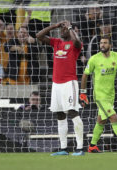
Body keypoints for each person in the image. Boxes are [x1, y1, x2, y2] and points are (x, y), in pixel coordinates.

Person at [36, 20, 84, 156]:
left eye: (64, 29)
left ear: (71, 31)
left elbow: (77, 42)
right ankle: (64, 148)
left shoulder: (75, 45)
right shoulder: (57, 42)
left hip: (69, 83)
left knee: (72, 112)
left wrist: (69, 26)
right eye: (61, 29)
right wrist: (54, 26)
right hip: (56, 84)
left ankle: (80, 148)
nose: (62, 31)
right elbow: (38, 36)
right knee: (60, 114)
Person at [80, 36, 117, 153]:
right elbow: (85, 75)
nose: (102, 45)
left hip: (111, 95)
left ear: (110, 45)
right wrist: (83, 93)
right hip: (99, 96)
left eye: (105, 43)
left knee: (101, 121)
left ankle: (92, 146)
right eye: (101, 43)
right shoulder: (94, 59)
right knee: (113, 117)